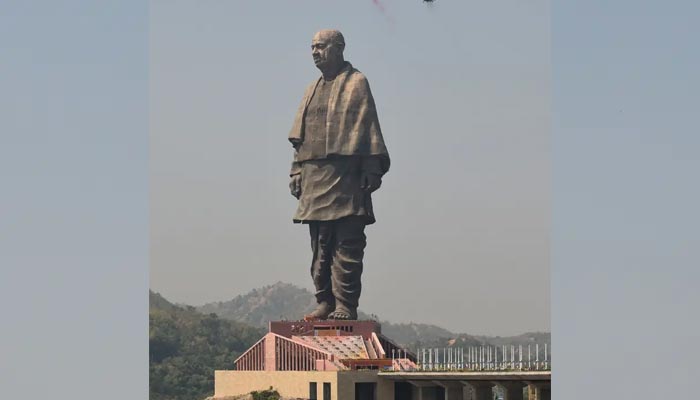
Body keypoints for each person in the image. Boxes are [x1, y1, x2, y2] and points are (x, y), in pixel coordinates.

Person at [288, 29, 390, 320]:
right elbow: (300, 138)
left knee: (347, 242)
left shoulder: (356, 82)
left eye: (320, 46)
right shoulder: (312, 88)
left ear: (338, 48)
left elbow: (367, 126)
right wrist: (296, 170)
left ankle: (345, 304)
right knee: (320, 244)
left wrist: (371, 168)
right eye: (312, 47)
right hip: (314, 175)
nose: (314, 52)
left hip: (346, 177)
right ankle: (325, 300)